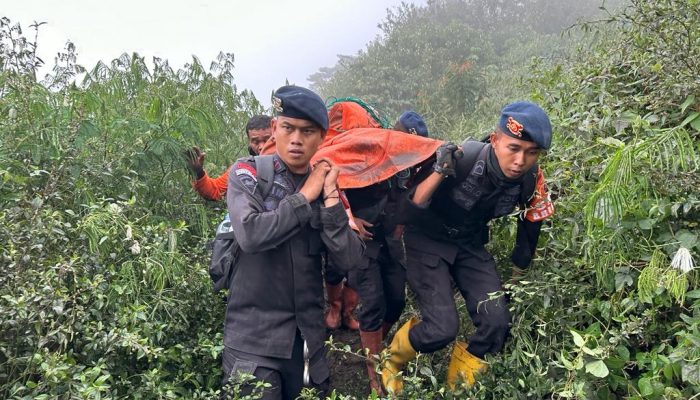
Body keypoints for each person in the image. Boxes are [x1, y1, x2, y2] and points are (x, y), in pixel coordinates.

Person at [381, 102, 555, 394]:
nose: (520, 160)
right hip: (427, 240)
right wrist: (439, 170)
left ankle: (458, 387)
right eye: (514, 148)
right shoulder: (463, 158)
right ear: (496, 140)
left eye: (531, 152)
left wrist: (517, 274)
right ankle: (392, 361)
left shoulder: (531, 179)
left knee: (497, 322)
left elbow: (531, 224)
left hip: (469, 243)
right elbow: (409, 211)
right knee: (442, 328)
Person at [222, 85, 364, 400]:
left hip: (307, 344)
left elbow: (352, 262)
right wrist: (304, 197)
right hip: (252, 344)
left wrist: (328, 199)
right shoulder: (247, 174)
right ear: (275, 129)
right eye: (288, 128)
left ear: (322, 138)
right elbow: (251, 234)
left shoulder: (328, 187)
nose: (296, 139)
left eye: (307, 131)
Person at [345, 110, 431, 395]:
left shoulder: (414, 164)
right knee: (372, 301)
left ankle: (375, 347)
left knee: (395, 299)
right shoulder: (365, 150)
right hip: (364, 240)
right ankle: (374, 373)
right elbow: (331, 173)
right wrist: (348, 216)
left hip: (390, 240)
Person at [187, 115, 273, 201]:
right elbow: (215, 191)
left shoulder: (286, 161)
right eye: (256, 142)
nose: (262, 146)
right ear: (249, 142)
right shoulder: (242, 169)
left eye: (267, 140)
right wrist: (198, 172)